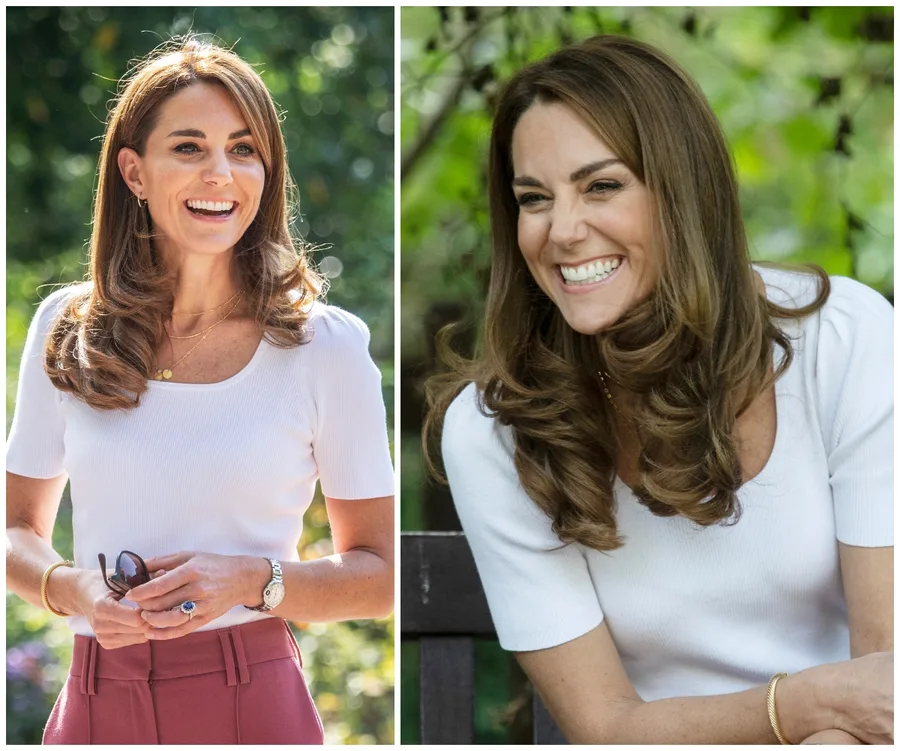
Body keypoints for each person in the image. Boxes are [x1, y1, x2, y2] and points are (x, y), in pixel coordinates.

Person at [424, 35, 892, 745]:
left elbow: (884, 687)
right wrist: (800, 706)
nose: (563, 231)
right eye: (534, 199)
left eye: (601, 186)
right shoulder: (495, 431)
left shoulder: (843, 338)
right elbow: (604, 726)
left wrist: (825, 725)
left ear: (683, 189)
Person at [6, 38, 395, 745]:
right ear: (134, 171)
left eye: (243, 150)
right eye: (189, 147)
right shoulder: (67, 328)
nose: (220, 173)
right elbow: (14, 531)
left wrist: (251, 580)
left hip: (254, 699)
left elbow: (381, 575)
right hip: (95, 697)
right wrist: (72, 588)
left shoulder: (324, 347)